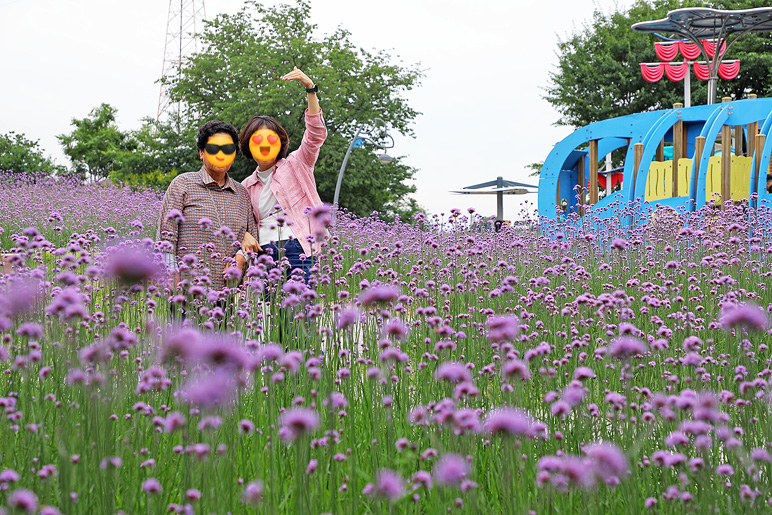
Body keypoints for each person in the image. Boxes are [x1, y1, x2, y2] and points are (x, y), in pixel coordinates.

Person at [239, 67, 328, 284]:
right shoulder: (245, 186)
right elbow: (241, 225)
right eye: (257, 141)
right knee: (273, 316)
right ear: (248, 147)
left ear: (280, 143)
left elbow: (316, 134)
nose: (264, 146)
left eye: (271, 140)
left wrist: (310, 89)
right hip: (264, 255)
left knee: (300, 315)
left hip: (298, 249)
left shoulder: (297, 164)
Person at [157, 120, 258, 293]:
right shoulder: (183, 184)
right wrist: (174, 283)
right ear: (201, 153)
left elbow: (252, 243)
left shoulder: (241, 193)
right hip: (187, 295)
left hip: (228, 297)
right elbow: (166, 239)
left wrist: (239, 261)